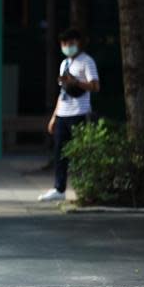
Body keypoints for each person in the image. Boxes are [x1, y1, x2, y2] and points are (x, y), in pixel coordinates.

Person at [38, 28, 100, 202]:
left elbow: (95, 86)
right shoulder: (64, 64)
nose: (67, 47)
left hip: (79, 113)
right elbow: (62, 92)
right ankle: (59, 188)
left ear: (78, 43)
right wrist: (54, 117)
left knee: (81, 152)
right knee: (60, 152)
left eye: (70, 43)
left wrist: (77, 82)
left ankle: (84, 188)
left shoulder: (87, 62)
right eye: (64, 44)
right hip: (63, 113)